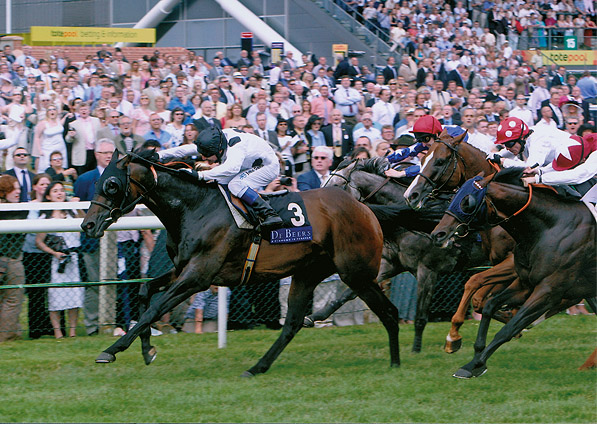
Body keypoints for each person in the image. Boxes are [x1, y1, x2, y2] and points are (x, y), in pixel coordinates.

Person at [153, 127, 283, 231]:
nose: (203, 158)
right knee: (219, 181)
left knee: (235, 185)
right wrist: (159, 155)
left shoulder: (236, 147)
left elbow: (231, 168)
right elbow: (185, 150)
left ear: (219, 151)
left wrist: (200, 175)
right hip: (247, 164)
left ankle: (269, 214)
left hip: (267, 167)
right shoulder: (217, 142)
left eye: (207, 156)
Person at [74, 139, 116, 335]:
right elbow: (76, 207)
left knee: (113, 283)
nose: (108, 155)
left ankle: (112, 323)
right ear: (96, 154)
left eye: (111, 152)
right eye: (104, 152)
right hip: (92, 241)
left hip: (117, 241)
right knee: (93, 284)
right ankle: (92, 326)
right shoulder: (85, 179)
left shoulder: (120, 177)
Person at [35, 181, 83, 339]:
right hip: (57, 263)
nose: (59, 193)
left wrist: (79, 206)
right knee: (56, 295)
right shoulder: (45, 218)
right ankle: (57, 332)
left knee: (74, 294)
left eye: (61, 190)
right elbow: (39, 241)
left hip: (73, 259)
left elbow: (86, 222)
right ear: (48, 196)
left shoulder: (72, 212)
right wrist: (54, 253)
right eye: (55, 191)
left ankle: (72, 331)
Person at [22, 173, 55, 339]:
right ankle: (35, 328)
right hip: (32, 254)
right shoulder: (30, 205)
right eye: (41, 183)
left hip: (50, 253)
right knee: (35, 292)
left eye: (47, 183)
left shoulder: (53, 205)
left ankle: (48, 325)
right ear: (34, 187)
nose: (44, 186)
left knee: (49, 292)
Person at [0, 175, 27, 342]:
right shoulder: (13, 211)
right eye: (14, 189)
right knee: (13, 299)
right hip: (11, 261)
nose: (18, 192)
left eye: (18, 188)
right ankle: (7, 336)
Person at [32, 105, 68, 173]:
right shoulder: (43, 123)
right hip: (48, 148)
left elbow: (62, 123)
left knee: (61, 166)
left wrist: (67, 115)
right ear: (47, 112)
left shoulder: (58, 121)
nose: (52, 111)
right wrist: (40, 150)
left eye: (54, 109)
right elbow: (37, 137)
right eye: (50, 110)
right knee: (47, 167)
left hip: (61, 147)